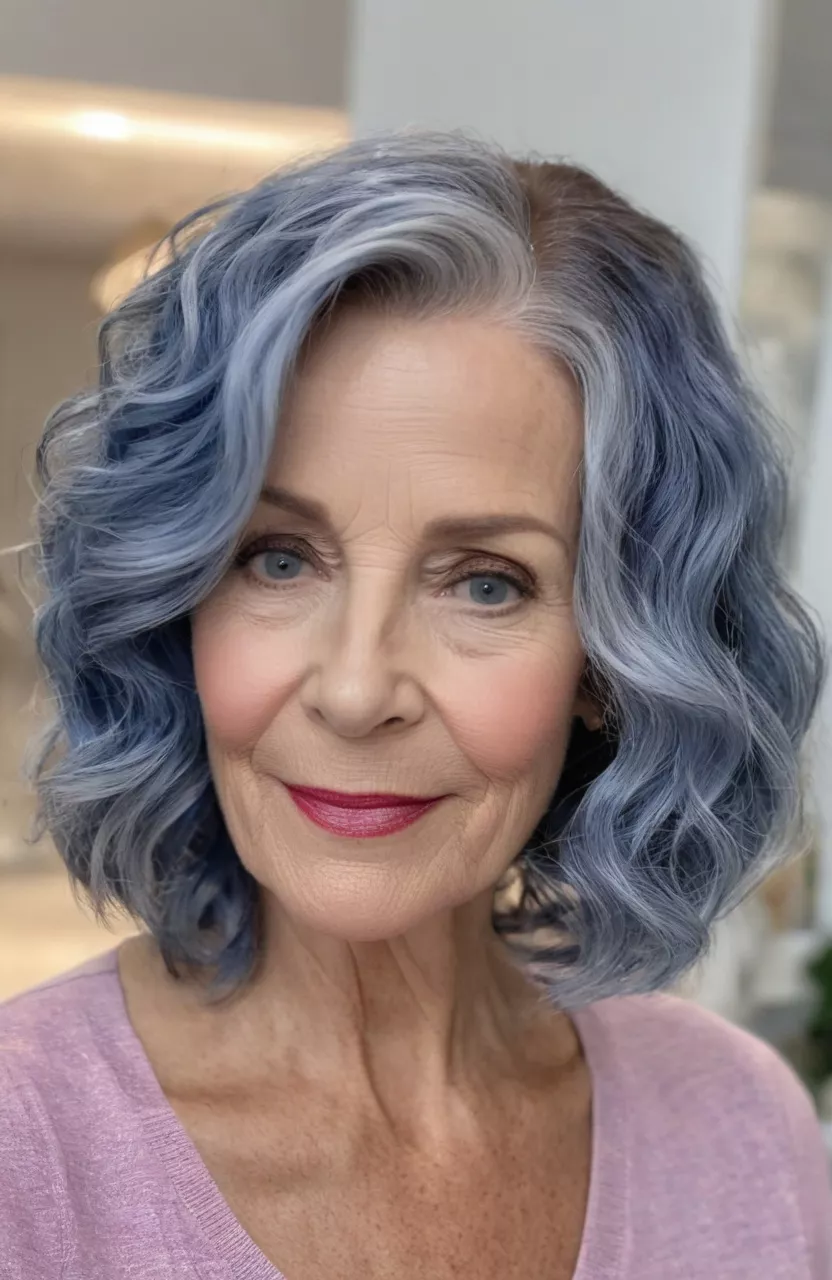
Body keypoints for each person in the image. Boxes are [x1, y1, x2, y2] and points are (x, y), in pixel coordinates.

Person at [1, 131, 829, 1280]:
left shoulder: (742, 1128)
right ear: (176, 605)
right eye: (277, 558)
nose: (354, 690)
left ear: (613, 661)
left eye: (485, 582)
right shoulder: (26, 1153)